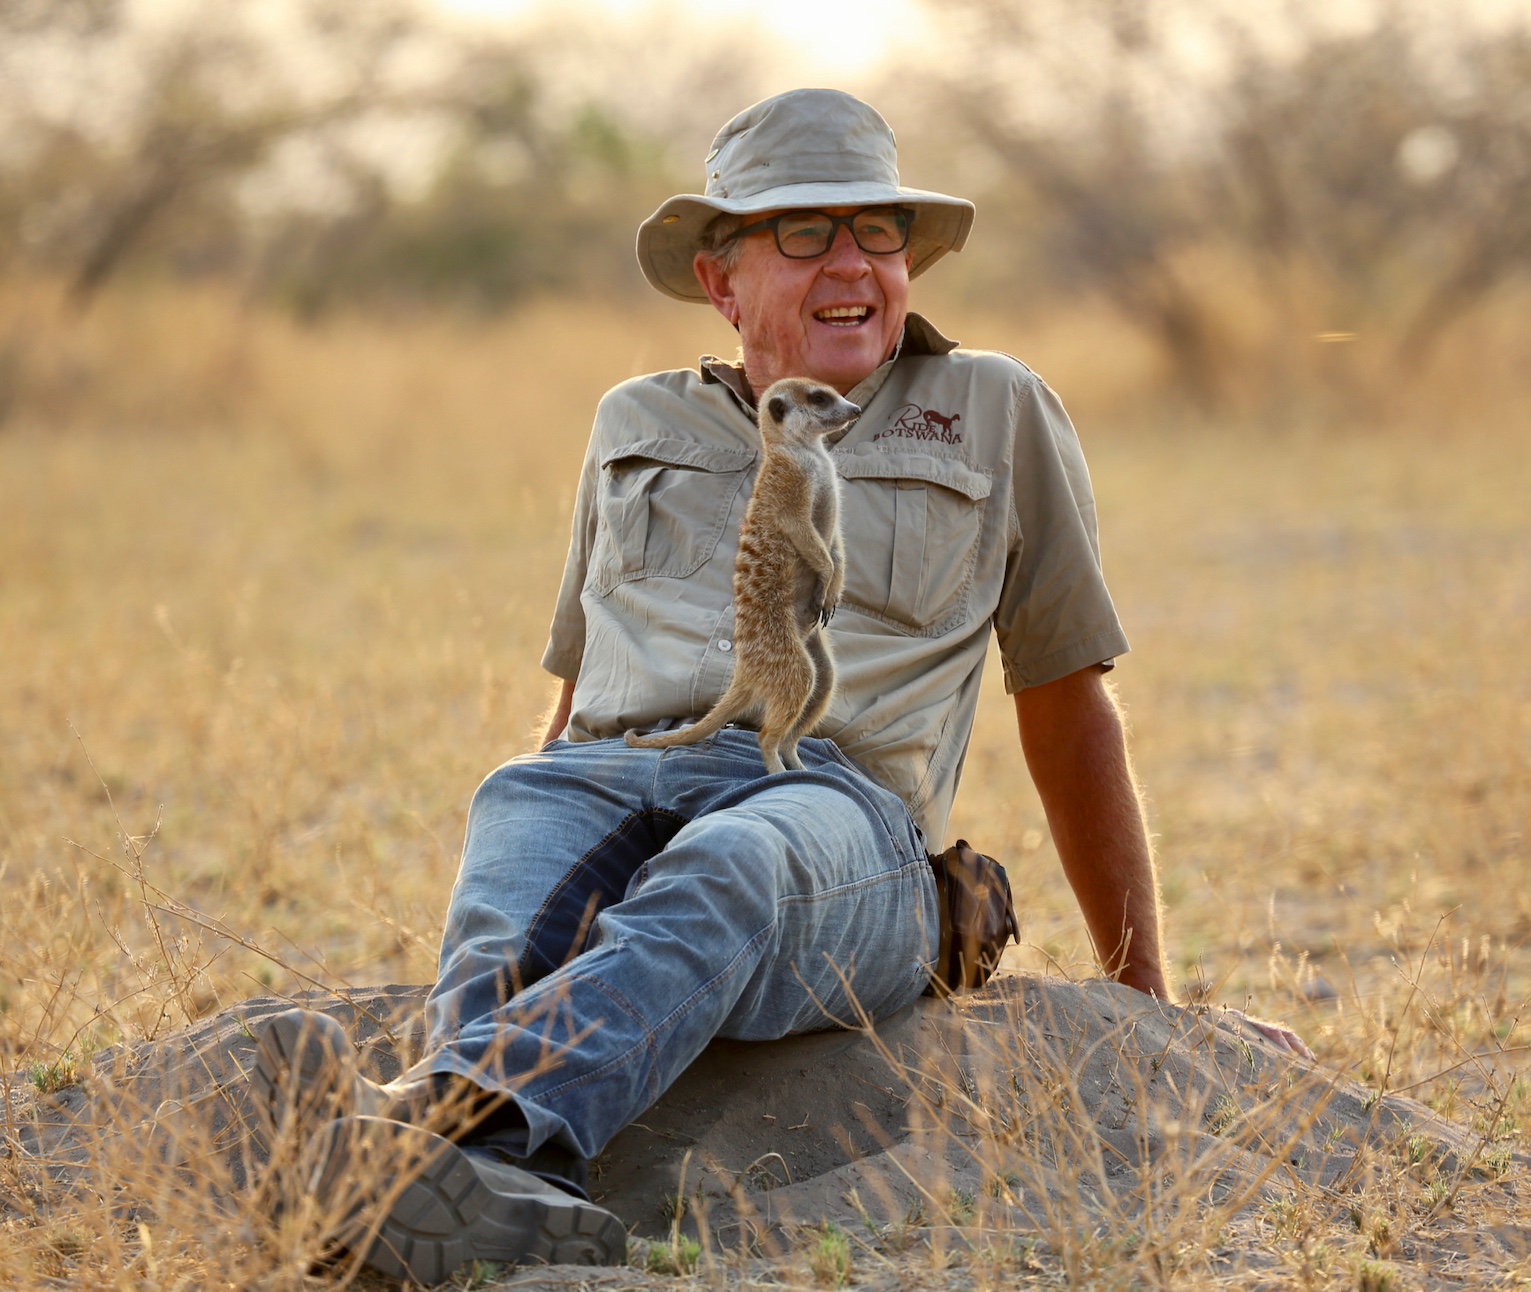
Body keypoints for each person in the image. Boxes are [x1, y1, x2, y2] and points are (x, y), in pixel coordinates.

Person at [253, 88, 1311, 1285]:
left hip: (835, 813)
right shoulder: (631, 421)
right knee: (518, 810)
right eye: (804, 234)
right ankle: (469, 1180)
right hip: (619, 767)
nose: (851, 263)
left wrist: (1144, 1004)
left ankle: (445, 1140)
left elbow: (1065, 704)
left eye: (878, 232)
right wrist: (541, 804)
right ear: (722, 281)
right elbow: (579, 690)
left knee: (732, 863)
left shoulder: (995, 410)